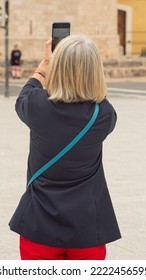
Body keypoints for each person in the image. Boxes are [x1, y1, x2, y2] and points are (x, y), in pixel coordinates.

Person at [9, 35, 121, 260]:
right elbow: (100, 98)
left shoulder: (36, 105)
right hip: (88, 229)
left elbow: (23, 96)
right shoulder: (103, 115)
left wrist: (43, 68)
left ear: (57, 67)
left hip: (39, 227)